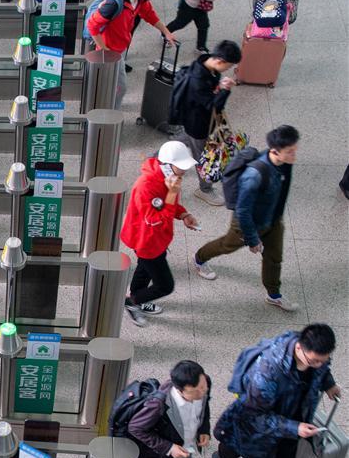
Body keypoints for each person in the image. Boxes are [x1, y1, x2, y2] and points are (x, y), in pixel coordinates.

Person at [212, 324, 340, 458]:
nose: (319, 365)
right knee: (239, 443)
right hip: (256, 419)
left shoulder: (313, 351)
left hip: (292, 414)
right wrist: (294, 428)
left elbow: (322, 369)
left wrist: (328, 383)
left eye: (324, 360)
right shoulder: (266, 372)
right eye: (314, 361)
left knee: (285, 456)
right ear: (299, 348)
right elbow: (255, 416)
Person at [192, 125, 300, 311]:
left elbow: (282, 190)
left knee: (274, 257)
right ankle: (200, 258)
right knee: (227, 245)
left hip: (272, 219)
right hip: (248, 223)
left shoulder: (285, 163)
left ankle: (273, 294)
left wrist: (277, 218)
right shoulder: (254, 175)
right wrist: (252, 239)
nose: (294, 156)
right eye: (290, 152)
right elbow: (243, 211)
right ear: (275, 150)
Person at [119, 141, 200, 326]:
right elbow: (155, 220)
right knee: (165, 285)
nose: (185, 170)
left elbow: (167, 206)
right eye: (181, 166)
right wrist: (172, 194)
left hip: (157, 240)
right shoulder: (146, 186)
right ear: (167, 165)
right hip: (147, 241)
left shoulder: (168, 178)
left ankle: (136, 296)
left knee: (144, 269)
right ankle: (132, 301)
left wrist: (184, 214)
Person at [85, 0, 176, 110]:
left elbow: (148, 13)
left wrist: (166, 32)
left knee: (113, 85)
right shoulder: (114, 2)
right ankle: (109, 114)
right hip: (110, 51)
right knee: (120, 87)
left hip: (121, 46)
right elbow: (93, 25)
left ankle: (109, 107)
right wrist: (104, 49)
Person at [169, 40, 241, 207]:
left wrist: (219, 87)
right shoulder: (198, 80)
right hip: (199, 125)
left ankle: (159, 157)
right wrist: (224, 90)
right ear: (220, 61)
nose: (228, 70)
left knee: (186, 139)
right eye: (228, 66)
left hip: (195, 121)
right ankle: (205, 189)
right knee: (203, 158)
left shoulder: (205, 63)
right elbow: (213, 105)